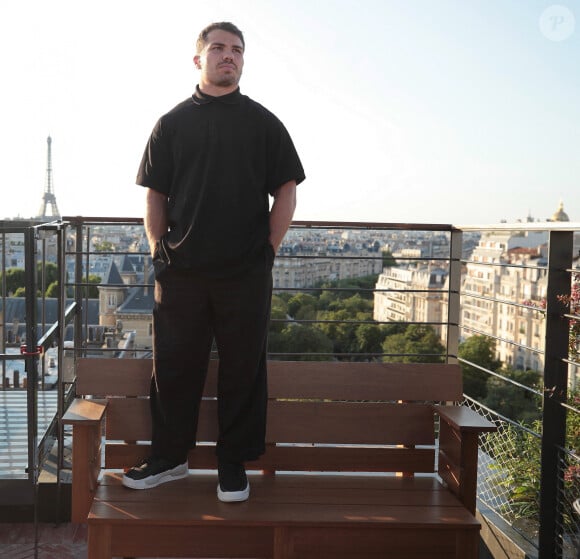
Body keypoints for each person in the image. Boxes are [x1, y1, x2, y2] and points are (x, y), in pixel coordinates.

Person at [122, 21, 305, 503]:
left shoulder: (264, 123)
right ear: (198, 58)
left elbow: (286, 189)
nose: (230, 56)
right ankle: (169, 457)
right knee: (173, 366)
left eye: (237, 50)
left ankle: (232, 464)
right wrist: (158, 248)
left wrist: (269, 249)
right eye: (219, 48)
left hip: (245, 271)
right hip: (180, 271)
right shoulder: (172, 122)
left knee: (244, 369)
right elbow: (154, 194)